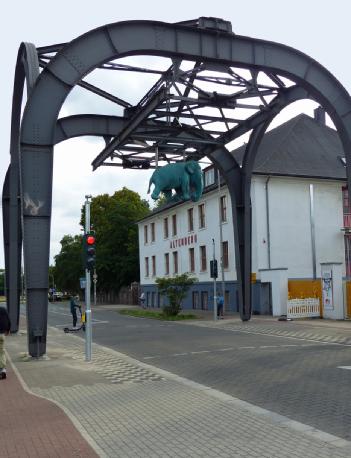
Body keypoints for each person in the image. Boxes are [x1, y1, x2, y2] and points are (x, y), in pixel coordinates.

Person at [0, 306, 11, 380]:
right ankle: (3, 370)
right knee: (2, 352)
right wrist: (8, 330)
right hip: (2, 334)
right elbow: (9, 320)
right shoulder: (3, 309)